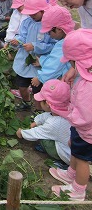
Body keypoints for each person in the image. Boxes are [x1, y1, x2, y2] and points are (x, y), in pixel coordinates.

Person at [47, 29, 92, 201]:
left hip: (87, 131)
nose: (70, 65)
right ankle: (70, 174)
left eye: (72, 62)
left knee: (82, 159)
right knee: (75, 149)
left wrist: (68, 116)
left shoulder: (88, 87)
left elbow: (86, 116)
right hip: (80, 128)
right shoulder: (85, 76)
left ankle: (78, 191)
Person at [10, 0, 56, 111]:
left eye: (34, 13)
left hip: (39, 64)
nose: (31, 15)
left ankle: (38, 111)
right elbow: (22, 36)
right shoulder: (27, 22)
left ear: (43, 10)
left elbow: (53, 45)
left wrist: (35, 46)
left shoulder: (50, 26)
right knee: (21, 86)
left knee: (38, 92)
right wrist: (17, 41)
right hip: (24, 60)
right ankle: (26, 103)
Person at [17, 79, 71, 166]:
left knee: (44, 140)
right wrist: (36, 122)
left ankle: (63, 163)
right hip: (74, 148)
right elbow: (47, 115)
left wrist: (22, 133)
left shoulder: (54, 124)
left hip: (69, 155)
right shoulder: (67, 111)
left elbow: (36, 133)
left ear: (47, 104)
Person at [30, 5, 75, 89]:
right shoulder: (72, 37)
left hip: (67, 81)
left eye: (49, 32)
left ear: (59, 29)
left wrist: (40, 78)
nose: (49, 35)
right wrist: (42, 60)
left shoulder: (64, 44)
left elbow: (54, 65)